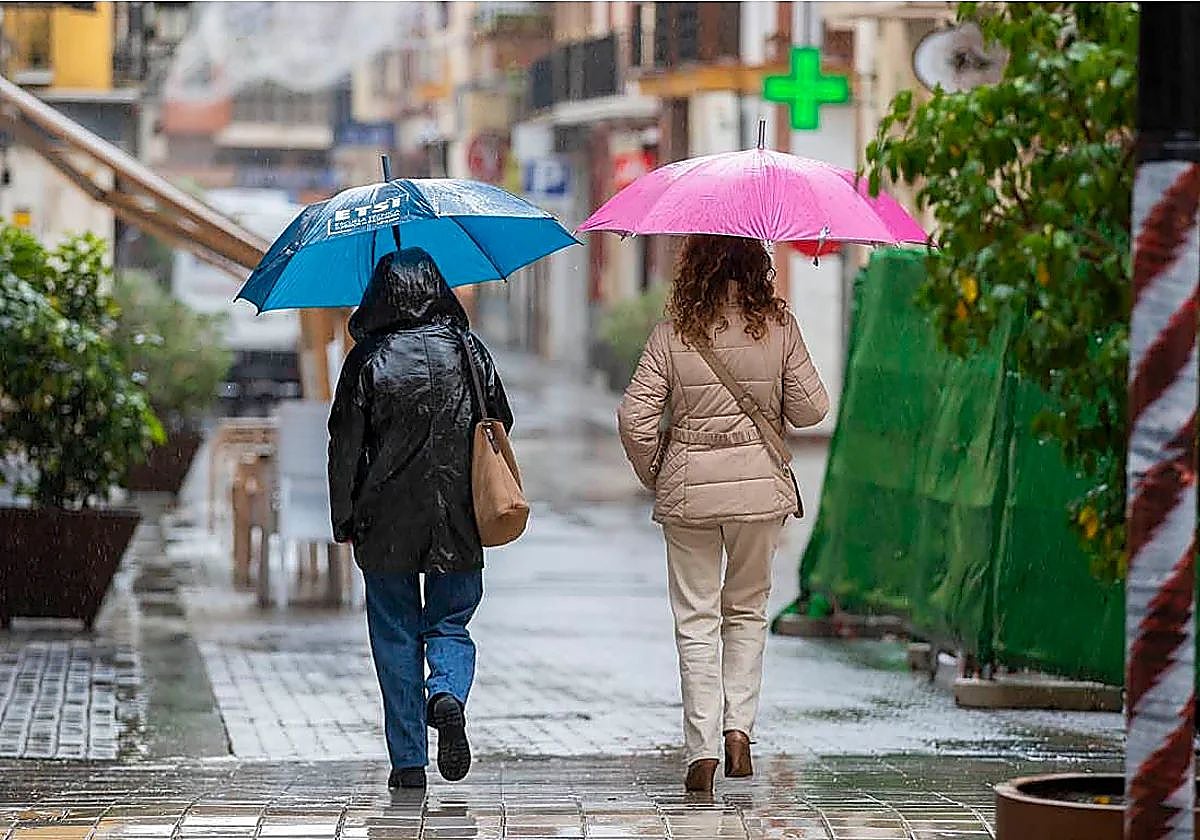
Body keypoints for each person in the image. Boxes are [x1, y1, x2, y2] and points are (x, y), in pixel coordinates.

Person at [617, 234, 829, 793]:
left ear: (695, 268)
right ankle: (739, 731)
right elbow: (813, 409)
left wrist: (657, 471)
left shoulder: (673, 332)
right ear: (757, 266)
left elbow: (633, 419)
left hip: (689, 494)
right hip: (760, 493)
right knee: (746, 611)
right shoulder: (778, 326)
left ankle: (701, 750)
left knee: (696, 618)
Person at [327, 247, 512, 790]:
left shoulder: (367, 359)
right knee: (450, 621)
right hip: (457, 513)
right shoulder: (468, 350)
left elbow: (344, 446)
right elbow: (500, 419)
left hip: (384, 520)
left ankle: (409, 761)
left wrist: (344, 516)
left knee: (394, 634)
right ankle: (447, 692)